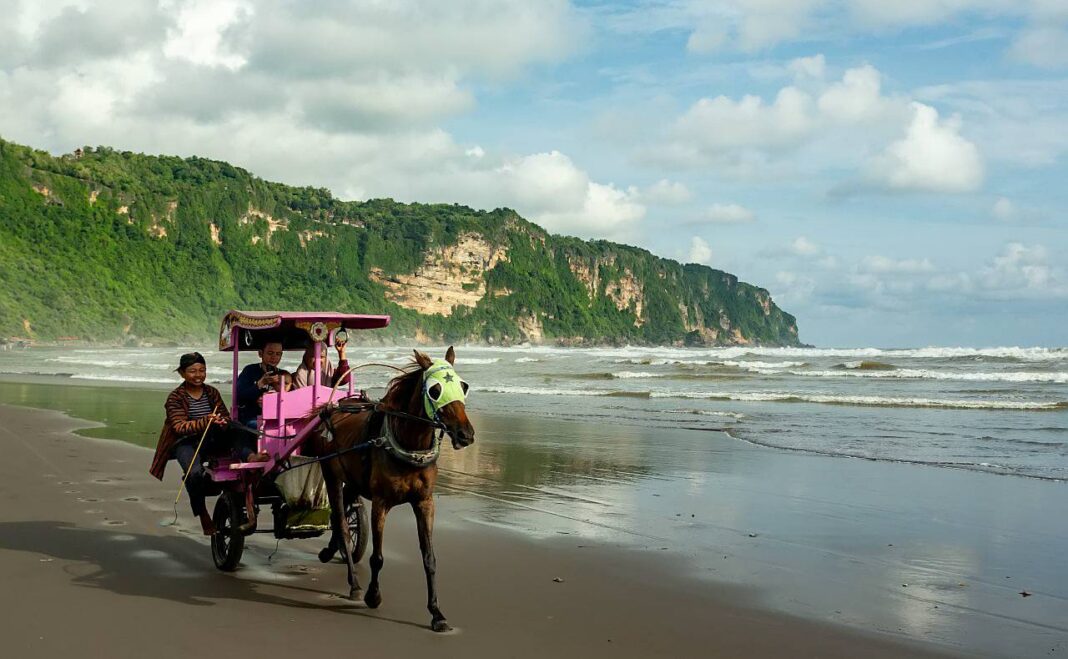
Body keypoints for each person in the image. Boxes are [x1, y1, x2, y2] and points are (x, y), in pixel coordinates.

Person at [149, 352, 262, 535]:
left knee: (236, 428)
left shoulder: (211, 392)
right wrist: (206, 420)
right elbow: (179, 427)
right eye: (193, 371)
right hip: (184, 442)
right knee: (194, 474)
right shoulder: (175, 397)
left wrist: (222, 421)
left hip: (210, 438)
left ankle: (250, 456)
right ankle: (202, 513)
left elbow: (224, 415)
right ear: (182, 373)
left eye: (202, 370)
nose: (198, 375)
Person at [235, 339, 285, 428]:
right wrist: (260, 384)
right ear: (260, 353)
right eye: (270, 353)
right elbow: (239, 395)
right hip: (252, 417)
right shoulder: (250, 370)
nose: (274, 357)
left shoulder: (284, 374)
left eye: (278, 354)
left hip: (275, 416)